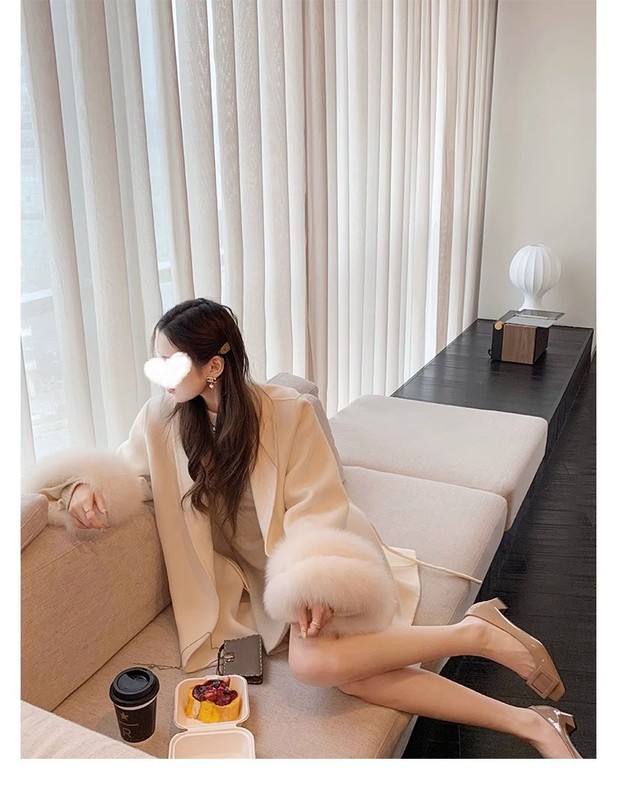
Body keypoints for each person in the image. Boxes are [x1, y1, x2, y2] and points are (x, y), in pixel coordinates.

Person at [38, 298, 581, 758]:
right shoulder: (161, 419)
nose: (157, 374)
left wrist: (312, 582)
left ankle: (479, 640)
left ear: (214, 366)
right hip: (256, 582)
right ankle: (528, 716)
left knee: (315, 662)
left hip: (319, 559)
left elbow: (318, 505)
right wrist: (82, 487)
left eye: (169, 362)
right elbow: (126, 473)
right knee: (354, 676)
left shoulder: (286, 413)